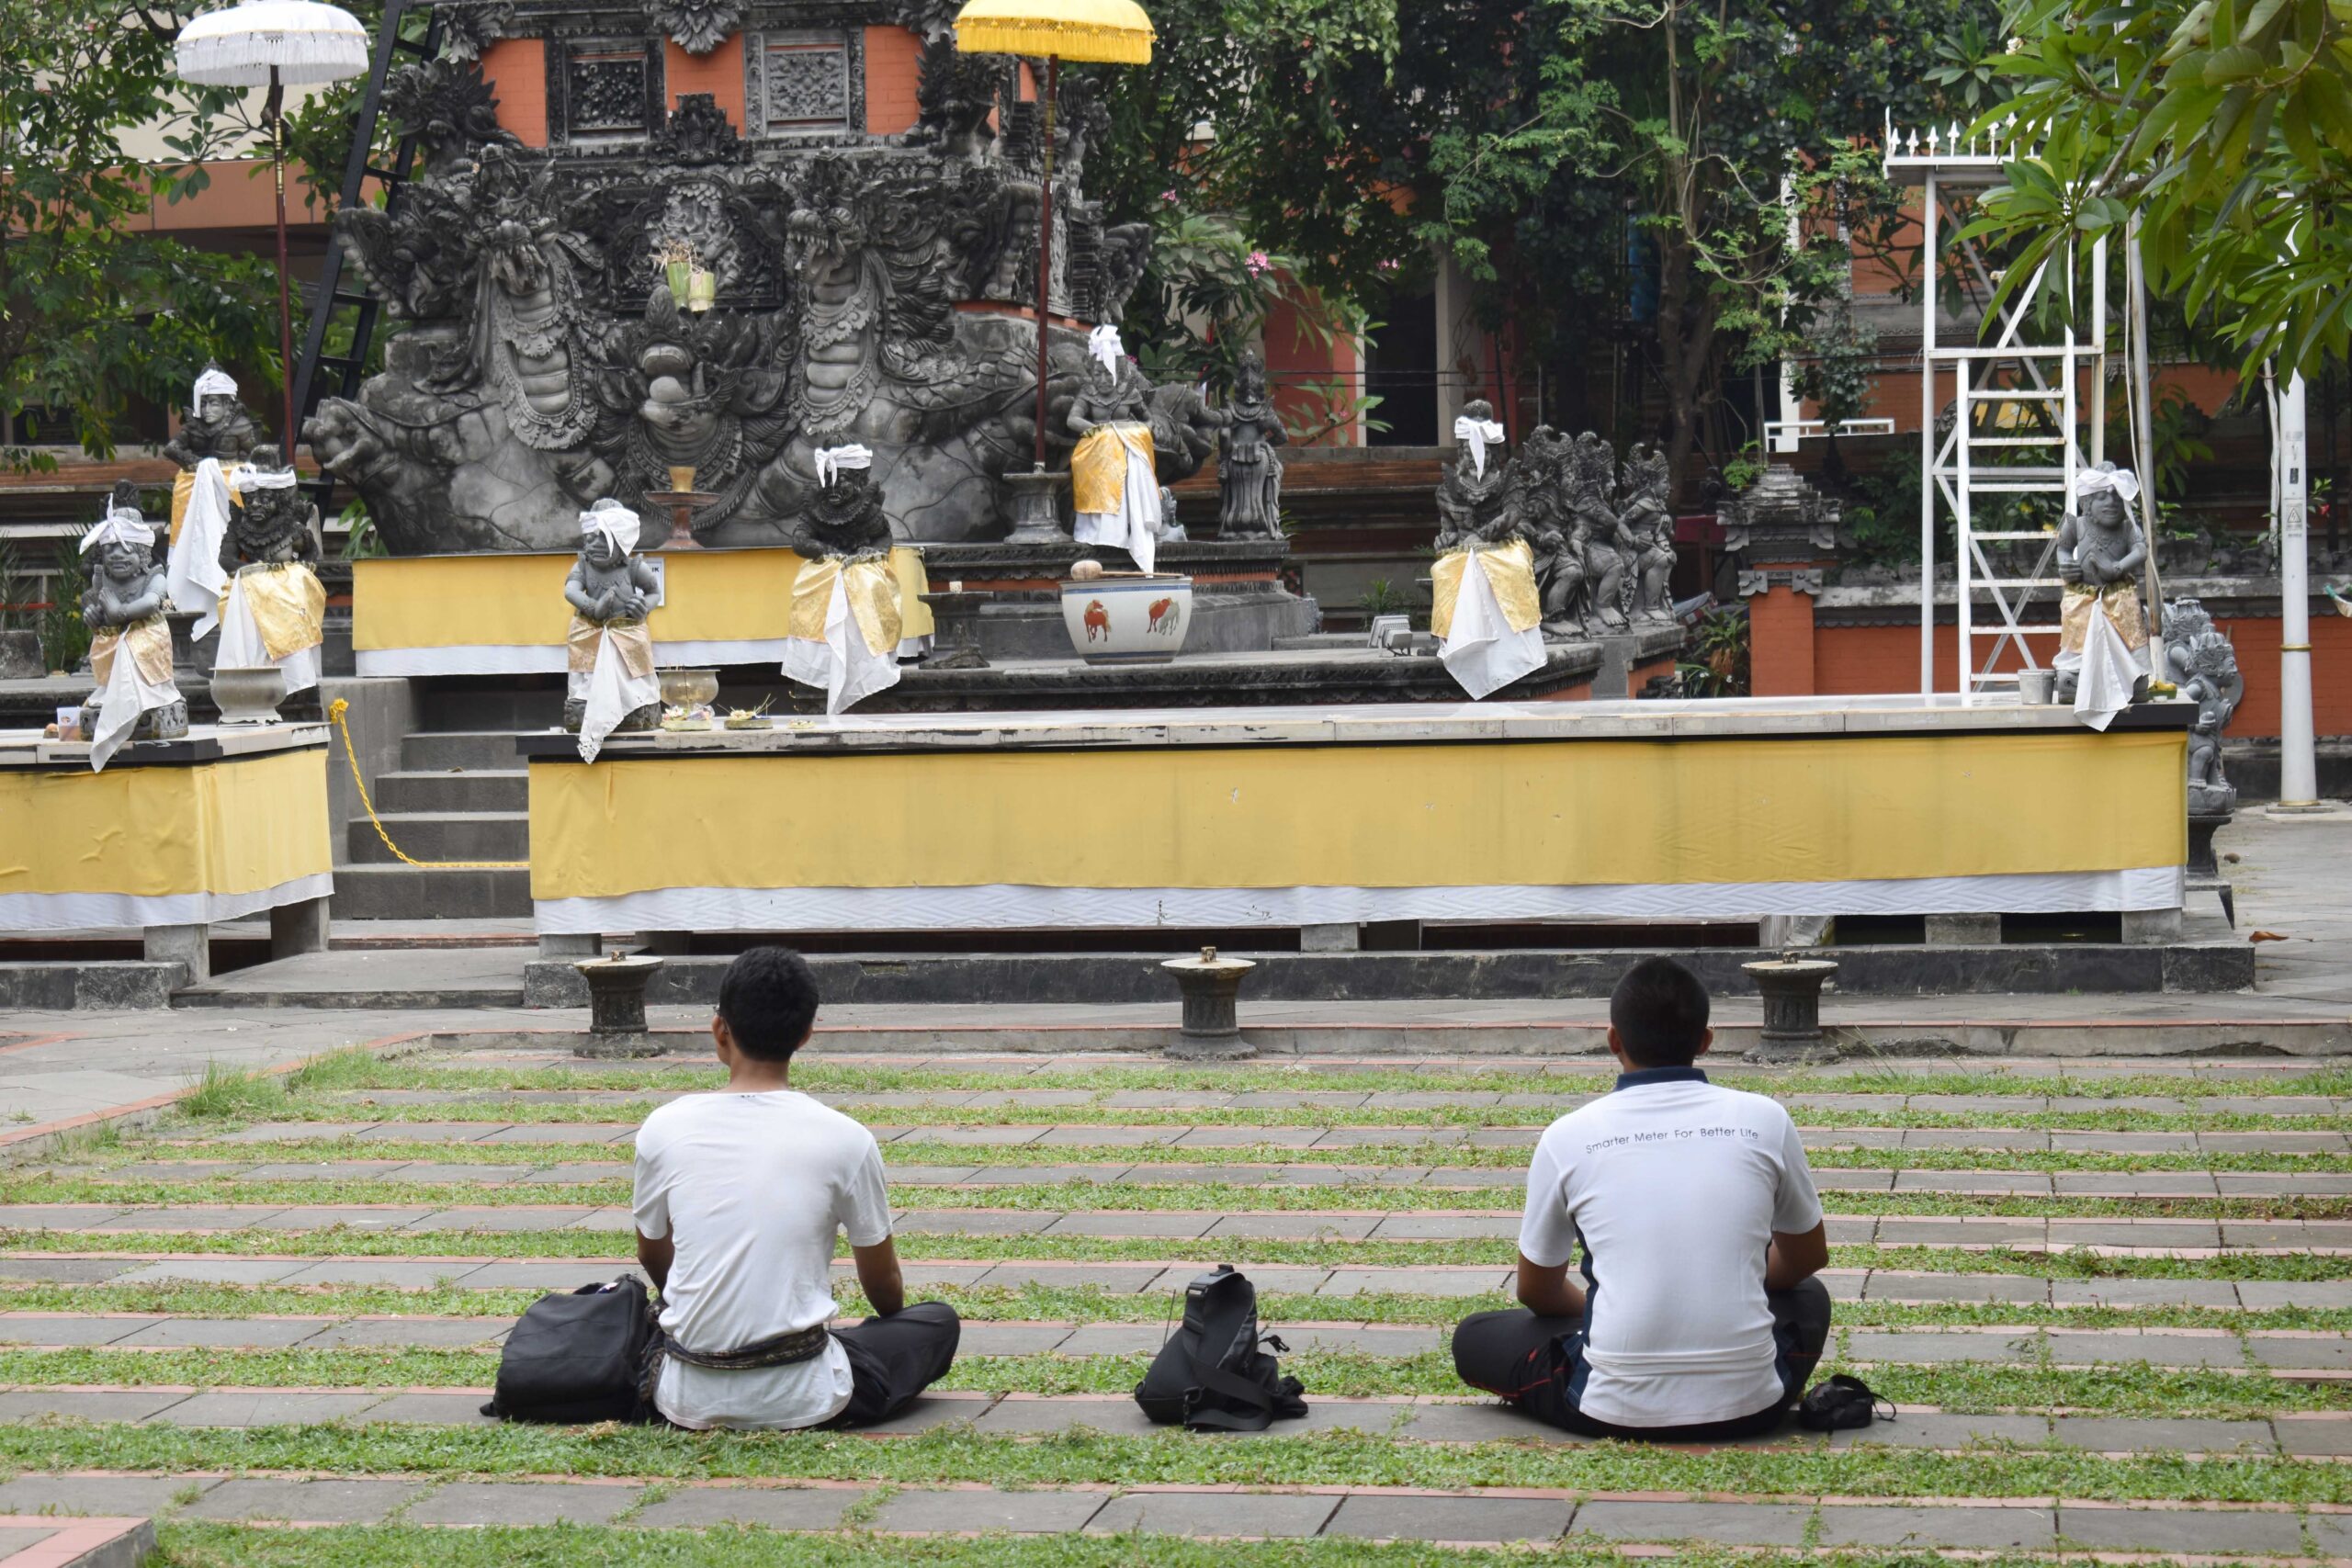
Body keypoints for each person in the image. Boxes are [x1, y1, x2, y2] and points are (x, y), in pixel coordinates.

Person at [1452, 955, 1830, 1439]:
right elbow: (1807, 1256)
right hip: (1753, 1404)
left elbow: (1537, 1291)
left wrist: (1620, 1302)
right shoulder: (1766, 1119)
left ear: (1614, 1040)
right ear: (1706, 1040)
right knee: (1809, 1298)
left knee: (1475, 1336)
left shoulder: (1567, 1136)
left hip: (1610, 1407)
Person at [633, 947, 959, 1429]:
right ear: (807, 1033)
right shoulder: (846, 1137)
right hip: (807, 1395)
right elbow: (882, 1283)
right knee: (936, 1322)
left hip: (684, 1393)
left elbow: (652, 1253)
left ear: (719, 1029)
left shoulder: (664, 1127)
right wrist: (890, 1320)